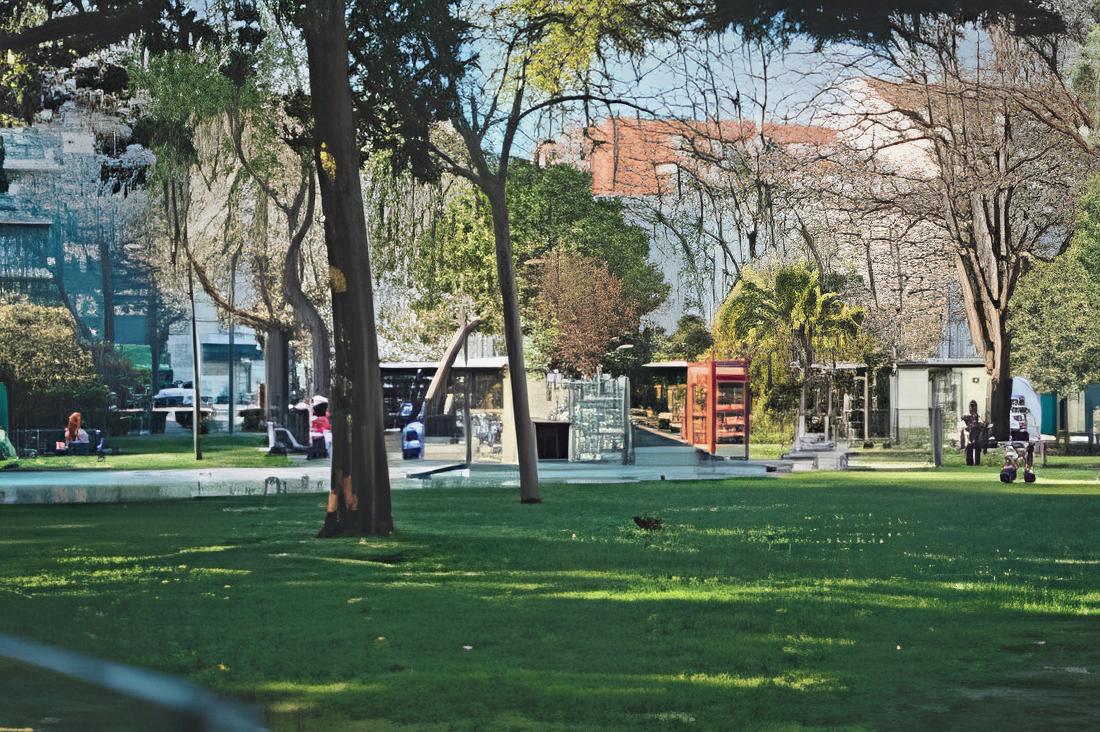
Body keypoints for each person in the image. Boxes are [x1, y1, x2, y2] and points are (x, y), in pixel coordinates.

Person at [960, 400, 988, 466]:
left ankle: (977, 462)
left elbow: (984, 424)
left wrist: (981, 424)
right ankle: (969, 463)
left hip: (977, 436)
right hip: (969, 435)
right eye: (971, 406)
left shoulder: (979, 415)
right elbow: (963, 426)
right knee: (969, 448)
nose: (972, 407)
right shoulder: (966, 415)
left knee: (977, 448)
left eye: (974, 406)